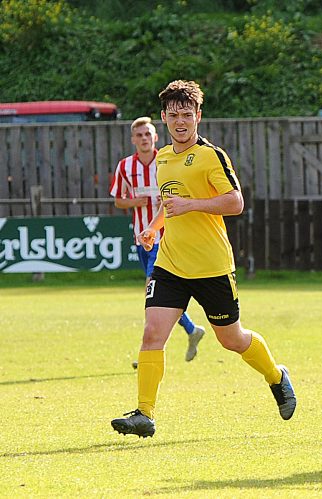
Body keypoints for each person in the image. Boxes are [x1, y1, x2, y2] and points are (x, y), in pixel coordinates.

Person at [111, 80, 296, 438]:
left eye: (187, 114)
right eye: (174, 114)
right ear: (164, 117)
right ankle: (144, 414)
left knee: (232, 339)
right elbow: (170, 202)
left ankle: (276, 376)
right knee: (152, 333)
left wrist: (193, 205)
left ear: (198, 116)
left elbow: (235, 202)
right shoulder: (163, 157)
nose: (180, 121)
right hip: (171, 264)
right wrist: (153, 226)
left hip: (212, 267)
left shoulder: (212, 156)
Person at [110, 117, 206, 368]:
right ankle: (191, 329)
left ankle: (148, 352)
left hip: (167, 237)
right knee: (160, 293)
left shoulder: (166, 160)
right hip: (143, 238)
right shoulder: (125, 167)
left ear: (155, 137)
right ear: (133, 139)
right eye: (139, 135)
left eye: (147, 134)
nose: (143, 138)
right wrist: (134, 203)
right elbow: (118, 200)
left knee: (151, 289)